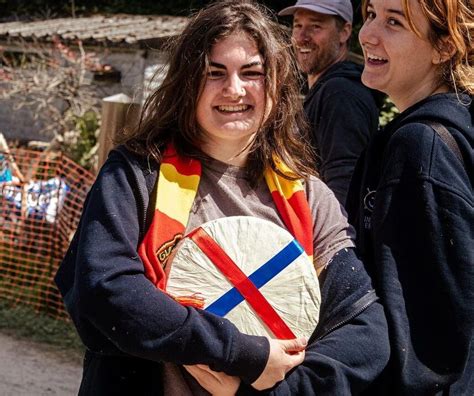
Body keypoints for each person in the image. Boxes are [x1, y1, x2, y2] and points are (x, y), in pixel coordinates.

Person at [54, 1, 389, 395]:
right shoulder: (135, 175)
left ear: (276, 84)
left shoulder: (308, 195)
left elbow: (364, 330)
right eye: (214, 73)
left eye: (252, 73)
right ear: (187, 83)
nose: (234, 89)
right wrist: (241, 352)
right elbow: (106, 289)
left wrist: (272, 390)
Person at [346, 0, 473, 394]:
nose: (367, 34)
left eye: (394, 22)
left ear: (444, 47)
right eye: (370, 16)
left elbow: (426, 343)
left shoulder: (420, 147)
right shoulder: (455, 124)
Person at [278, 0, 382, 208]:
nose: (301, 37)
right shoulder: (326, 91)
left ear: (344, 32)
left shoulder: (341, 94)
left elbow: (345, 184)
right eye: (298, 25)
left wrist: (331, 240)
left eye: (315, 26)